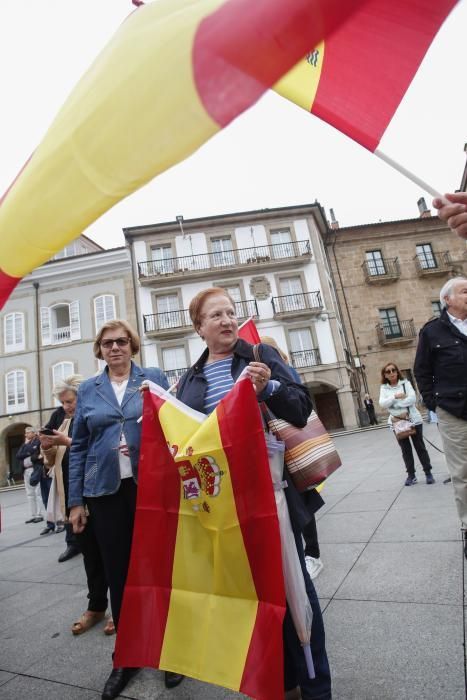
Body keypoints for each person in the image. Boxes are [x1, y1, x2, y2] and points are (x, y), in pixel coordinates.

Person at [177, 288, 331, 700]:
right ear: (199, 327)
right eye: (215, 315)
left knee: (295, 587)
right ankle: (284, 682)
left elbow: (301, 406)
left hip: (271, 491)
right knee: (255, 596)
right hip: (224, 502)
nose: (227, 320)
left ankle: (317, 689)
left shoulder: (260, 355)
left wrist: (270, 390)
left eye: (230, 312)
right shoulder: (189, 381)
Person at [68, 320, 183, 699]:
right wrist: (75, 501)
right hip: (104, 493)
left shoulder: (152, 376)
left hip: (149, 487)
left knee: (160, 567)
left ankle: (172, 653)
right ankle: (126, 657)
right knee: (120, 575)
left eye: (121, 342)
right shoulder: (88, 389)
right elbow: (80, 447)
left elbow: (173, 425)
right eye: (107, 343)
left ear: (132, 345)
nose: (114, 348)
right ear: (99, 350)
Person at [39, 375, 114, 637]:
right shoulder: (66, 422)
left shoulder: (97, 417)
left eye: (70, 401)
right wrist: (48, 447)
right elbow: (52, 463)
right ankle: (96, 607)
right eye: (63, 402)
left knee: (113, 556)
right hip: (75, 500)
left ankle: (121, 609)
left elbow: (101, 450)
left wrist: (66, 442)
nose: (67, 407)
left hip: (101, 497)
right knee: (90, 558)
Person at [260, 336, 324, 581]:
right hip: (277, 447)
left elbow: (298, 405)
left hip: (292, 446)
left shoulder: (287, 372)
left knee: (304, 500)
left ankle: (312, 554)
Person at [414, 277, 467, 555]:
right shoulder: (432, 332)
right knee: (463, 473)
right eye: (465, 290)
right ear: (447, 299)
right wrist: (436, 404)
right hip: (454, 412)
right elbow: (421, 372)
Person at [379, 362, 434, 486]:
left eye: (394, 370)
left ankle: (428, 473)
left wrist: (395, 404)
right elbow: (382, 404)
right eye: (388, 371)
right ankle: (411, 475)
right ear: (385, 375)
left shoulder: (406, 383)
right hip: (397, 422)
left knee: (420, 447)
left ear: (397, 372)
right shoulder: (384, 388)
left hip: (413, 419)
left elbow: (412, 399)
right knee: (405, 450)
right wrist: (395, 396)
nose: (392, 373)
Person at [17, 427, 44, 524]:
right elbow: (18, 455)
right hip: (26, 470)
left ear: (34, 433)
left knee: (38, 492)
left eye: (27, 433)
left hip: (35, 469)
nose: (26, 435)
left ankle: (39, 514)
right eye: (25, 433)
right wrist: (28, 452)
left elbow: (34, 452)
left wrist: (28, 450)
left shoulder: (37, 441)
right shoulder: (25, 444)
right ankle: (33, 515)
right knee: (30, 494)